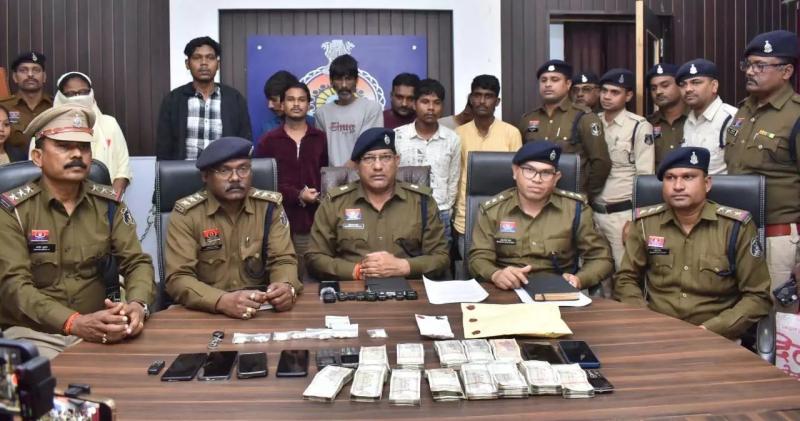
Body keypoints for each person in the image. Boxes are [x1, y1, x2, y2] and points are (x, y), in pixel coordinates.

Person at [0, 105, 155, 358]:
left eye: (83, 147)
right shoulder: (12, 210)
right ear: (38, 157)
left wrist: (138, 305)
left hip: (102, 326)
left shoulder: (108, 204)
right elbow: (14, 287)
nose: (77, 154)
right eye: (64, 146)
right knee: (55, 378)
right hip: (35, 333)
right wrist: (74, 322)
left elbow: (137, 262)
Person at [614, 147, 771, 340]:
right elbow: (626, 279)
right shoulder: (646, 223)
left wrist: (710, 330)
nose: (678, 186)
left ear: (707, 183)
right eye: (670, 178)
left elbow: (757, 297)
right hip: (654, 333)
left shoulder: (736, 227)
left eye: (688, 177)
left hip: (717, 337)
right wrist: (645, 318)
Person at [165, 137, 302, 318]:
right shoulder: (187, 214)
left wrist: (285, 286)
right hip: (205, 312)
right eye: (224, 170)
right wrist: (221, 301)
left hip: (260, 310)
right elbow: (178, 278)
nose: (236, 178)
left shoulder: (269, 207)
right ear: (205, 176)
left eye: (243, 168)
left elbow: (283, 260)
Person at [306, 127, 449, 281]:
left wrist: (404, 266)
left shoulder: (422, 202)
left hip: (409, 289)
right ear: (357, 166)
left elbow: (440, 257)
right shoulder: (335, 203)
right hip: (353, 288)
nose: (378, 166)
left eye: (386, 157)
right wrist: (357, 271)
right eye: (369, 159)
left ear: (397, 161)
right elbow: (315, 256)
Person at [469, 141, 613, 291]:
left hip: (558, 291)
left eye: (546, 173)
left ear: (556, 178)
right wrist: (496, 274)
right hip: (507, 290)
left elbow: (601, 258)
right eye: (529, 170)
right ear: (515, 171)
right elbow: (479, 257)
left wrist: (578, 280)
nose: (537, 179)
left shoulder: (575, 209)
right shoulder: (493, 210)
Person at [724, 30, 800, 299]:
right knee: (743, 310)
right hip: (738, 233)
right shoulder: (743, 111)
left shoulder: (795, 115)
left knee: (778, 314)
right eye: (748, 65)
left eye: (760, 66)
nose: (750, 72)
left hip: (777, 238)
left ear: (786, 71)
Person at [254, 81, 328, 280]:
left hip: (311, 220)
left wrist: (314, 196)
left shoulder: (320, 138)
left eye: (301, 100)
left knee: (309, 275)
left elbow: (324, 175)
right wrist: (297, 195)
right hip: (276, 220)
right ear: (282, 104)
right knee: (281, 275)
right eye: (291, 100)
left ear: (309, 105)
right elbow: (263, 183)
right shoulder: (268, 140)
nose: (296, 104)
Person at [453, 75, 522, 266]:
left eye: (488, 96)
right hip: (466, 217)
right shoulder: (458, 134)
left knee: (504, 271)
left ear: (497, 101)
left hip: (504, 216)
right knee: (471, 270)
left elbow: (518, 178)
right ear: (470, 98)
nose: (482, 101)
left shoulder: (511, 133)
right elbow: (456, 177)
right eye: (477, 95)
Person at [518, 59, 611, 201]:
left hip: (570, 199)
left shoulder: (584, 117)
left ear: (568, 84)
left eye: (554, 80)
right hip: (534, 198)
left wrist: (585, 194)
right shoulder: (528, 119)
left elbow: (601, 162)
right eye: (543, 80)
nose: (548, 84)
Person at [594, 68, 655, 271]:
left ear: (628, 96)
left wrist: (635, 220)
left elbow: (645, 177)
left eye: (615, 92)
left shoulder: (639, 126)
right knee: (597, 273)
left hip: (622, 214)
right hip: (594, 212)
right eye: (604, 91)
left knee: (624, 272)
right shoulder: (592, 123)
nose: (607, 96)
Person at [156, 36, 252, 160]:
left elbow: (244, 144)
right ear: (187, 64)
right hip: (184, 170)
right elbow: (163, 148)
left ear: (218, 64)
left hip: (223, 170)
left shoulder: (235, 99)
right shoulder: (173, 100)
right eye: (197, 57)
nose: (204, 63)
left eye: (210, 57)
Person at [395, 78, 461, 247]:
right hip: (404, 211)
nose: (431, 108)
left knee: (440, 260)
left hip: (440, 213)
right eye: (425, 102)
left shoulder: (452, 138)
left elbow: (453, 179)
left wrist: (446, 209)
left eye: (436, 103)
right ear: (414, 104)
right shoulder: (398, 136)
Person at [49, 71, 133, 197]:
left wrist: (113, 194)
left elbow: (123, 166)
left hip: (105, 196)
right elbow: (36, 167)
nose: (78, 97)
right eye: (71, 94)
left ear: (91, 93)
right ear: (60, 96)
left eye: (83, 92)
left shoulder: (109, 123)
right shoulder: (47, 127)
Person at [315, 54, 383, 167]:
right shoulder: (322, 113)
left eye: (348, 79)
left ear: (356, 80)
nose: (344, 85)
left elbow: (370, 146)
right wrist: (335, 174)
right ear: (331, 81)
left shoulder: (371, 109)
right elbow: (321, 151)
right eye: (338, 79)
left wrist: (346, 171)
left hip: (363, 174)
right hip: (332, 176)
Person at [677, 59, 737, 175]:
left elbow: (739, 167)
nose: (688, 89)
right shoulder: (688, 121)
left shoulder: (731, 118)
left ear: (714, 86)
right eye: (683, 85)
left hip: (721, 185)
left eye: (696, 82)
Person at [0, 51, 52, 150]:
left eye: (36, 70)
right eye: (23, 70)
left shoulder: (56, 106)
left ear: (44, 77)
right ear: (15, 77)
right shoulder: (2, 107)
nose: (30, 74)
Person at [646, 63, 687, 168]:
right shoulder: (647, 124)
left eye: (665, 85)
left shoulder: (696, 119)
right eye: (653, 88)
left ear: (680, 86)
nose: (658, 92)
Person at [259, 70, 314, 137]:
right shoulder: (268, 128)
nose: (269, 105)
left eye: (274, 100)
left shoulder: (315, 124)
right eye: (268, 100)